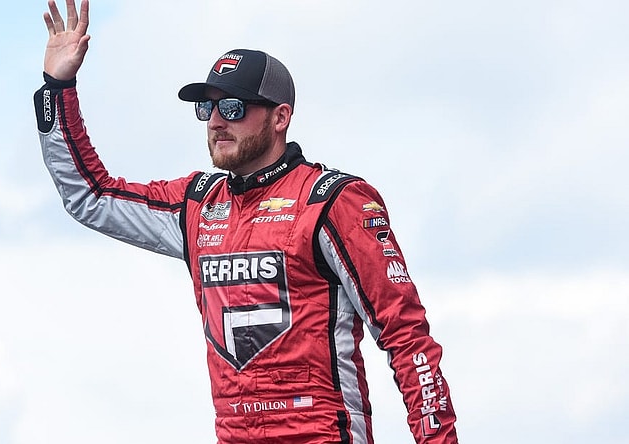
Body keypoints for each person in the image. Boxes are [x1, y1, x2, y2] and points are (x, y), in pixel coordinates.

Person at [34, 0, 459, 442]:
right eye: (208, 109)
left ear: (280, 117)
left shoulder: (334, 201)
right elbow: (90, 196)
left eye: (234, 107)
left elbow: (407, 339)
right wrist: (57, 87)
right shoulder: (196, 205)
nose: (217, 121)